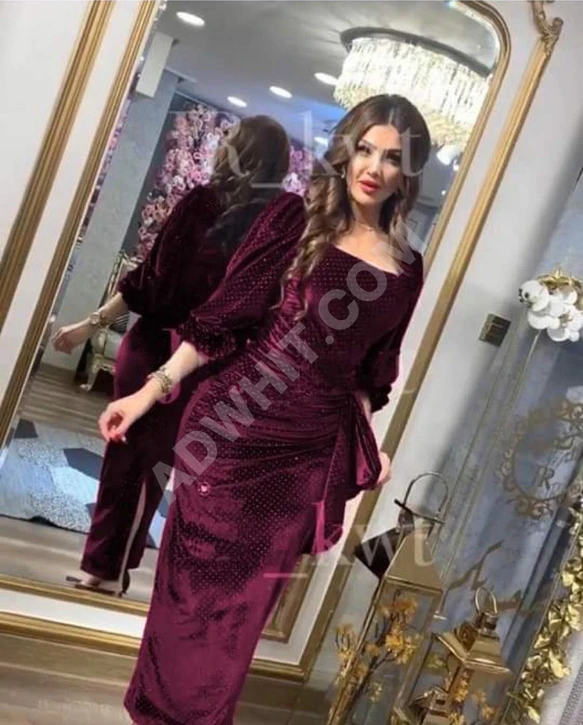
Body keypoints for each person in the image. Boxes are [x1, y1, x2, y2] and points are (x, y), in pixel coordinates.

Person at [99, 94, 430, 724]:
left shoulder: (407, 269)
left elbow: (372, 373)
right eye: (364, 149)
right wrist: (147, 391)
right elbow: (221, 319)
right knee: (192, 603)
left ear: (407, 173)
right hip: (232, 436)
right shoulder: (293, 220)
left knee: (240, 618)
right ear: (345, 151)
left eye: (392, 158)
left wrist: (368, 441)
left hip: (306, 455)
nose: (373, 167)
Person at [52, 115, 291, 596]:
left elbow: (152, 281)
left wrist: (90, 326)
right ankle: (106, 566)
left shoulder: (240, 216)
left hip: (180, 356)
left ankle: (109, 568)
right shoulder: (229, 213)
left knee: (142, 464)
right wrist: (89, 325)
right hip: (175, 354)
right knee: (135, 462)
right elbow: (149, 279)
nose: (221, 145)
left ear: (240, 151)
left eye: (230, 140)